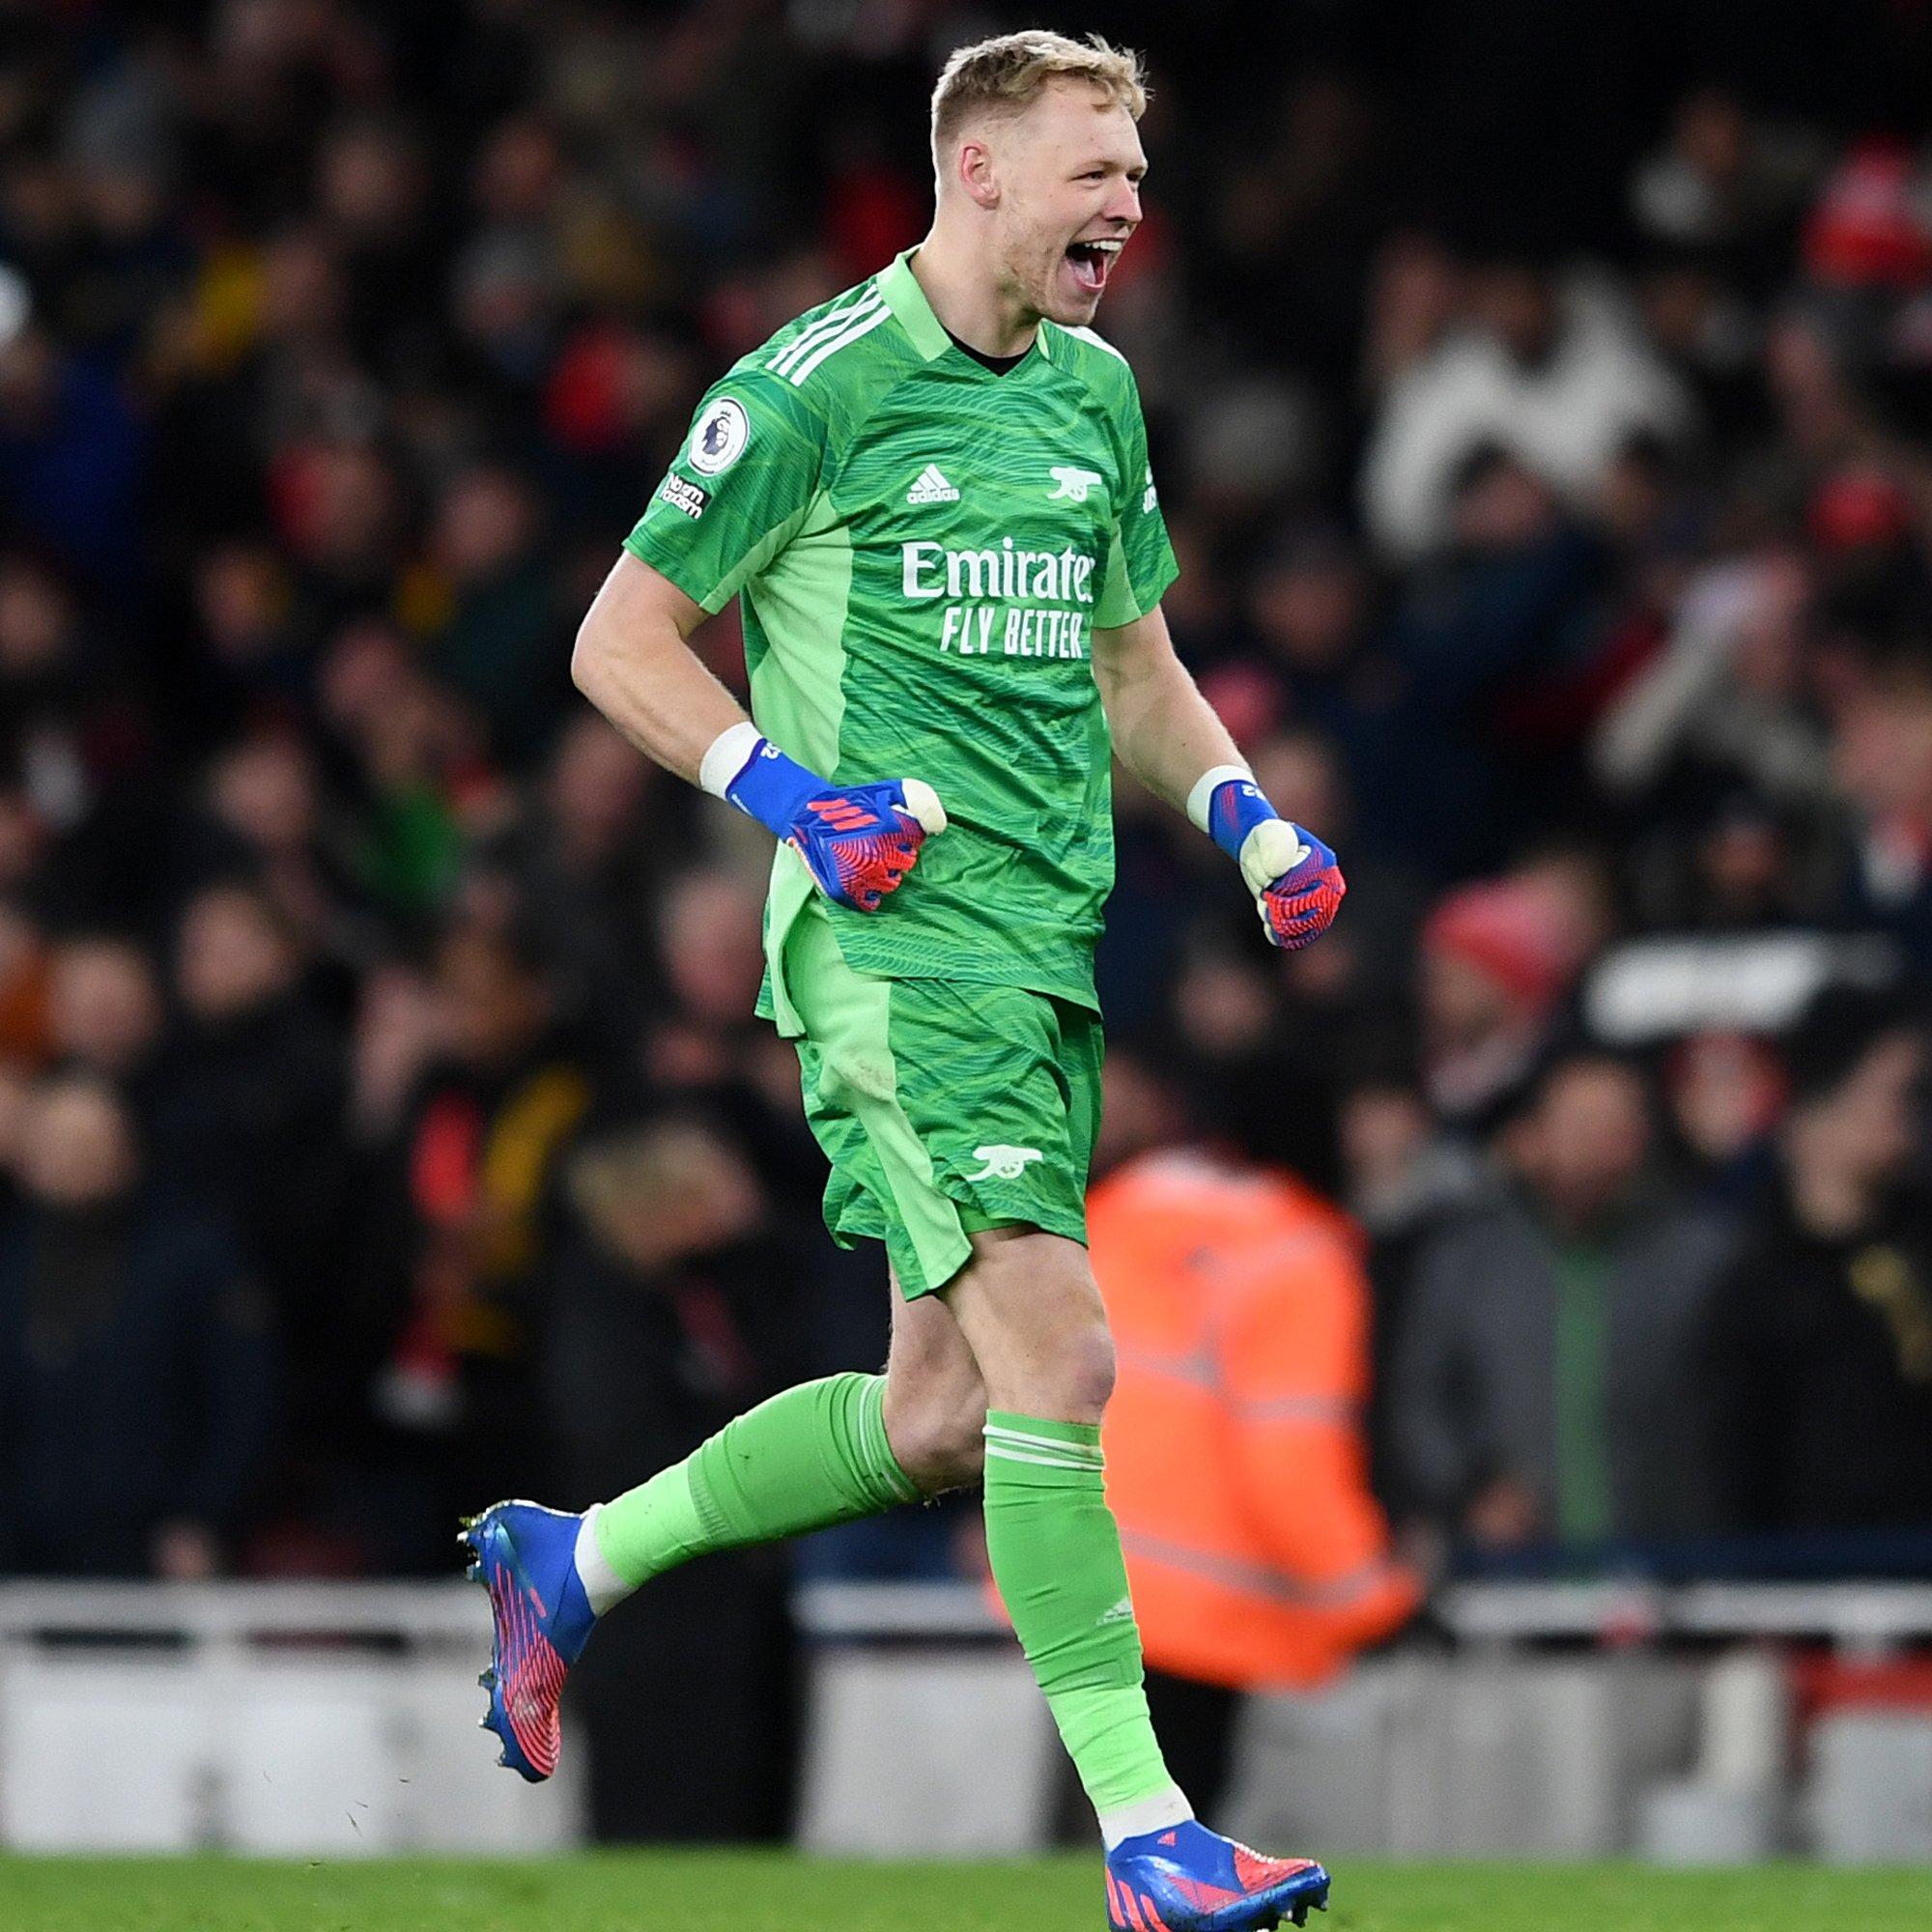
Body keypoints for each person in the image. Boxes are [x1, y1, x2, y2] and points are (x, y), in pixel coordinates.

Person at [461, 31, 1345, 1930]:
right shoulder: (815, 386)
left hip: (1042, 952)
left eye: (1134, 167)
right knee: (1070, 1350)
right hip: (889, 948)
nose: (1125, 200)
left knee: (940, 1414)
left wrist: (1250, 819)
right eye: (1091, 168)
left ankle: (580, 1557)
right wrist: (775, 788)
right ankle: (1145, 1834)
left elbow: (1133, 664)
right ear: (980, 175)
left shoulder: (1097, 395)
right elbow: (622, 639)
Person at [1084, 1050, 1418, 1818]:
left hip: (1069, 1574)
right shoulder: (1296, 1254)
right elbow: (1291, 1462)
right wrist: (1375, 1600)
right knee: (1177, 1837)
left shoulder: (1122, 1210)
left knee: (1107, 1835)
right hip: (1198, 1606)